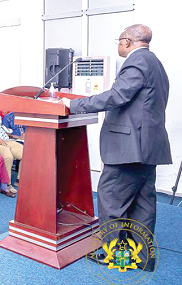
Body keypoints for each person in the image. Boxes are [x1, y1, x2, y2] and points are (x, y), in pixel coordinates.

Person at [60, 24, 169, 272]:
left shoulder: (136, 62)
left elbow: (116, 96)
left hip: (127, 149)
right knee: (143, 205)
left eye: (119, 41)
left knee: (111, 202)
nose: (118, 46)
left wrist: (73, 105)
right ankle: (143, 259)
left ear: (127, 42)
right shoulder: (156, 64)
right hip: (147, 147)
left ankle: (118, 258)